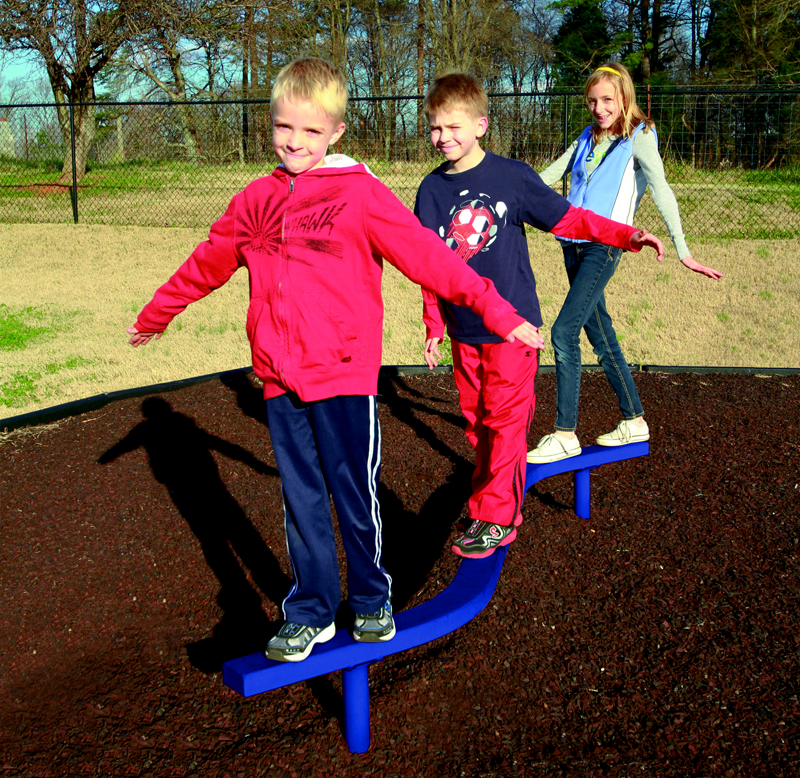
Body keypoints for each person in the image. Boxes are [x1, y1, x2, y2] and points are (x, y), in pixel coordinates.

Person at [124, 57, 547, 663]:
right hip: (278, 376)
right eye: (283, 129)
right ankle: (313, 608)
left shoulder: (358, 194)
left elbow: (431, 258)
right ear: (270, 124)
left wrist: (500, 312)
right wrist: (160, 311)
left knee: (353, 490)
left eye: (311, 132)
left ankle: (373, 596)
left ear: (336, 134)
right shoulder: (256, 200)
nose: (295, 143)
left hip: (344, 373)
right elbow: (210, 259)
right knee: (301, 497)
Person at [415, 71, 664, 560]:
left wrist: (625, 235)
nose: (443, 137)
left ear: (481, 124)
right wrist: (433, 326)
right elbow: (428, 264)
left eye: (453, 127)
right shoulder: (430, 191)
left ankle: (497, 517)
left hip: (513, 329)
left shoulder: (512, 177)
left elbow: (569, 217)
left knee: (506, 423)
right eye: (435, 128)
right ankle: (491, 498)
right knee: (477, 423)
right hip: (465, 333)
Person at [527, 62, 723, 466]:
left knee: (564, 332)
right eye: (593, 101)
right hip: (572, 244)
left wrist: (683, 250)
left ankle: (565, 433)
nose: (599, 108)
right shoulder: (586, 137)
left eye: (607, 101)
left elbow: (662, 189)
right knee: (600, 334)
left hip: (604, 247)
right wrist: (505, 187)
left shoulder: (640, 136)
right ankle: (634, 420)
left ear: (624, 98)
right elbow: (547, 176)